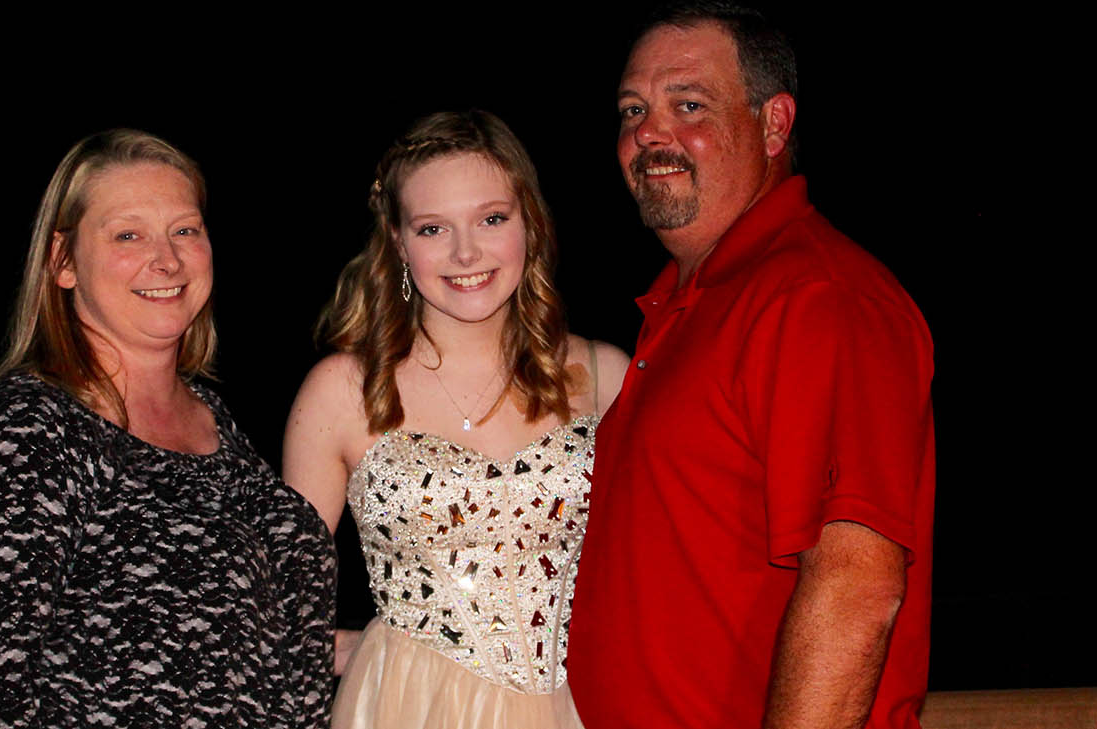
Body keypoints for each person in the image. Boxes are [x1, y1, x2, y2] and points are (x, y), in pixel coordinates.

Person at [566, 4, 936, 729]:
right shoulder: (683, 308)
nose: (649, 130)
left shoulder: (816, 296)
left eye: (689, 104)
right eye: (633, 109)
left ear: (774, 125)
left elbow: (857, 584)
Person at [0, 129, 336, 729]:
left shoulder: (214, 420)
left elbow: (249, 644)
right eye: (128, 234)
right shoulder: (24, 435)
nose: (166, 259)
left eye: (185, 230)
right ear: (62, 263)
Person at [284, 110, 628, 729]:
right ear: (396, 241)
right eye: (433, 228)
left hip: (585, 704)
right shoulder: (341, 391)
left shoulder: (608, 377)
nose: (466, 251)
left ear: (530, 222)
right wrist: (368, 651)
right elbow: (281, 603)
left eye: (492, 219)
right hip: (405, 709)